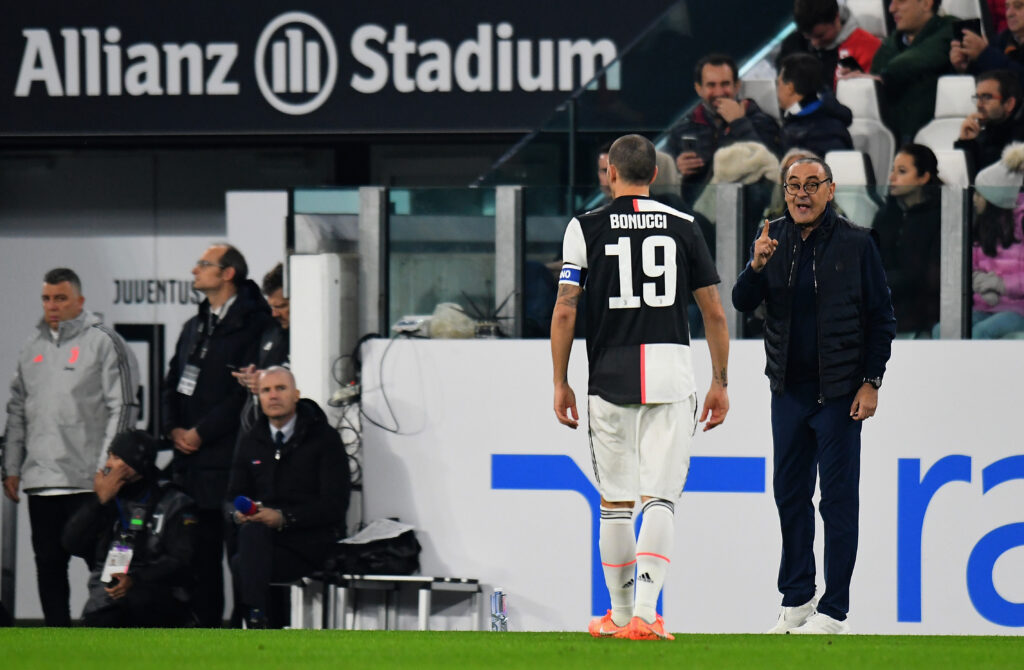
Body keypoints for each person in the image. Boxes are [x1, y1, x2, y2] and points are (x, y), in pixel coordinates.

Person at [550, 134, 730, 641]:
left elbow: (565, 309)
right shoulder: (685, 225)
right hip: (671, 373)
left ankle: (620, 614)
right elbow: (715, 313)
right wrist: (720, 381)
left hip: (609, 374)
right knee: (660, 500)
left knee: (614, 502)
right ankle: (647, 616)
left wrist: (560, 381)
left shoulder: (584, 226)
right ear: (654, 175)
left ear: (611, 173)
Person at [732, 158, 896, 634]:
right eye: (793, 186)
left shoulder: (858, 243)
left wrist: (872, 380)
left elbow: (882, 317)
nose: (801, 194)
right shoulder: (771, 238)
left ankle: (834, 610)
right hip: (787, 391)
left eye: (811, 185)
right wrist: (755, 266)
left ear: (830, 189)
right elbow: (742, 302)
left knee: (837, 502)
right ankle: (797, 600)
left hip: (839, 394)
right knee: (790, 495)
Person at [2, 267, 139, 626]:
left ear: (80, 301)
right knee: (48, 565)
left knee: (103, 562)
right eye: (47, 298)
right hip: (42, 480)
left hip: (88, 481)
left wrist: (108, 468)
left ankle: (113, 631)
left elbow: (124, 406)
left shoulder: (104, 342)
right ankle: (56, 637)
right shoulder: (32, 347)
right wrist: (12, 466)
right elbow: (17, 411)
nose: (52, 305)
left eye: (61, 298)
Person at [161, 244, 273, 627]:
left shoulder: (256, 323)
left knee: (241, 557)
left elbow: (244, 394)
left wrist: (201, 432)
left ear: (228, 273)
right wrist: (173, 429)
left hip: (232, 463)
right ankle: (207, 635)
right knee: (198, 560)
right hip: (191, 467)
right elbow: (172, 383)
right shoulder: (195, 326)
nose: (195, 270)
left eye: (204, 264)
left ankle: (246, 633)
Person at [227, 367, 349, 628]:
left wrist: (284, 518)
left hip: (310, 541)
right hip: (262, 540)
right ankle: (259, 619)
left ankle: (255, 621)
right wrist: (239, 514)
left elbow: (335, 505)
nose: (273, 396)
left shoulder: (325, 439)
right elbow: (232, 496)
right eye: (266, 390)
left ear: (296, 395)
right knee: (250, 538)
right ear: (259, 398)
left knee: (244, 560)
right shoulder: (250, 441)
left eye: (280, 388)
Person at [61, 430, 198, 627]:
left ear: (138, 463)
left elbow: (180, 561)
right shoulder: (107, 498)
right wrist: (98, 503)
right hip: (107, 600)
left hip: (159, 599)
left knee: (139, 602)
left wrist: (134, 580)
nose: (108, 464)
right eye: (109, 456)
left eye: (117, 458)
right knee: (100, 624)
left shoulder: (174, 501)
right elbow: (71, 544)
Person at [666, 54, 782, 203]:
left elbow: (772, 166)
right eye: (711, 85)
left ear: (737, 86)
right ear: (699, 89)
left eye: (725, 84)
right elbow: (664, 180)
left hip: (748, 208)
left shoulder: (762, 122)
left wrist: (738, 123)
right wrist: (677, 170)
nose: (719, 92)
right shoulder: (682, 130)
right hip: (694, 211)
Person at [872, 144, 944, 337]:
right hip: (884, 304)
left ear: (923, 177)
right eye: (893, 170)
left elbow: (925, 275)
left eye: (902, 171)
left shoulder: (941, 215)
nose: (892, 177)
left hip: (922, 310)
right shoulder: (885, 215)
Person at [868, 0, 957, 144]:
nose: (891, 9)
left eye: (901, 1)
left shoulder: (951, 29)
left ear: (926, 3)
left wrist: (882, 77)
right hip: (892, 139)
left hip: (937, 139)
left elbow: (915, 59)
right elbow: (877, 73)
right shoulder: (892, 42)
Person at [969, 143, 1024, 338]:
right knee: (943, 330)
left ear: (993, 198)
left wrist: (1002, 285)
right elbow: (970, 265)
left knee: (981, 333)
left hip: (1018, 309)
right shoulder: (980, 226)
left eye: (979, 194)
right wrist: (979, 282)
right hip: (984, 306)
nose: (974, 199)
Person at [233, 262, 291, 436]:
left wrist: (266, 382)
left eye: (281, 306)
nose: (275, 313)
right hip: (263, 431)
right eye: (272, 307)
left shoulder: (316, 339)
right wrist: (252, 378)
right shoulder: (271, 332)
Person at [777, 0, 881, 89]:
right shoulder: (793, 45)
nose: (814, 43)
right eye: (808, 36)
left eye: (820, 36)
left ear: (836, 18)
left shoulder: (868, 47)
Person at [777, 52, 854, 157]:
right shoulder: (803, 119)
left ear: (790, 88)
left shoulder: (823, 134)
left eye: (779, 84)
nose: (777, 90)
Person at [954, 70, 1024, 179]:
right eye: (977, 97)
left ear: (1009, 104)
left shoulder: (1019, 141)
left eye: (986, 97)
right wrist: (966, 143)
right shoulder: (982, 136)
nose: (979, 104)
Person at [950, 0, 1024, 84]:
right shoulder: (1002, 39)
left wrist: (984, 54)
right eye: (1007, 7)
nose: (1009, 13)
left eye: (1018, 6)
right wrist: (966, 68)